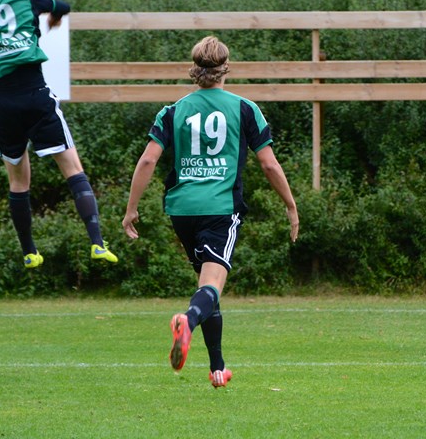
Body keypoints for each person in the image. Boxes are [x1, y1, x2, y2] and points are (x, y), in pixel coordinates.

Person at [123, 35, 299, 389]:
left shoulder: (173, 111)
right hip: (221, 208)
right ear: (226, 68)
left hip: (182, 209)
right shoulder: (244, 108)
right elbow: (268, 164)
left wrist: (131, 209)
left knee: (206, 285)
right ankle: (187, 321)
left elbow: (148, 160)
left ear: (195, 69)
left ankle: (217, 368)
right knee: (212, 286)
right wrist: (291, 206)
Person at [0, 0, 116, 268]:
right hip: (37, 97)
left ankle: (30, 252)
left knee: (18, 183)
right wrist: (53, 17)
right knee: (73, 170)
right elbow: (63, 6)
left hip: (5, 105)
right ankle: (97, 243)